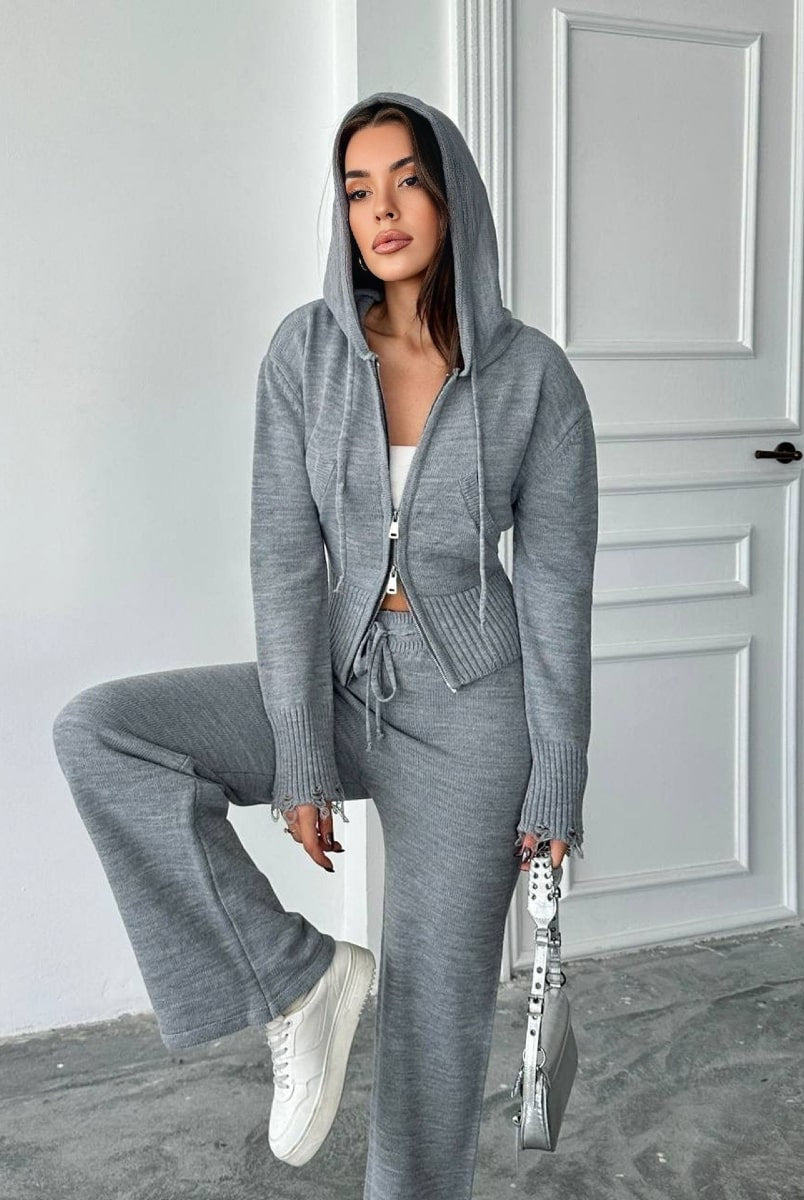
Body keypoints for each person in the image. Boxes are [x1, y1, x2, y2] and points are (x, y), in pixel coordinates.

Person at [51, 91, 598, 1199]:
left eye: (407, 181)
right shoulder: (305, 354)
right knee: (104, 734)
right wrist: (299, 749)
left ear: (452, 198)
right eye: (357, 190)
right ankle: (299, 980)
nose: (381, 210)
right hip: (342, 682)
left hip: (474, 715)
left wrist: (558, 777)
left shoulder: (533, 376)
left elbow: (554, 594)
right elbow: (285, 561)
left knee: (433, 1028)